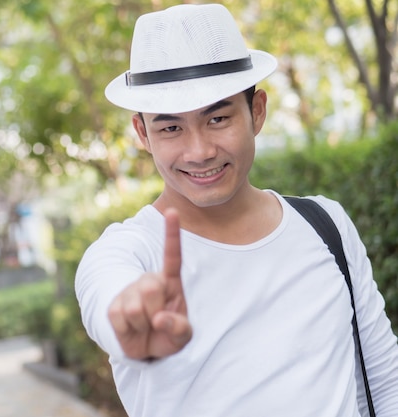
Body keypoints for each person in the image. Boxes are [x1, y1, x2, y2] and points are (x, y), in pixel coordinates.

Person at [74, 4, 398, 417]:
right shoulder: (129, 251)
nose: (199, 151)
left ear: (256, 111)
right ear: (142, 133)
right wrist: (127, 321)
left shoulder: (325, 224)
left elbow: (385, 382)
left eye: (218, 118)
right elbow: (107, 293)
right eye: (170, 127)